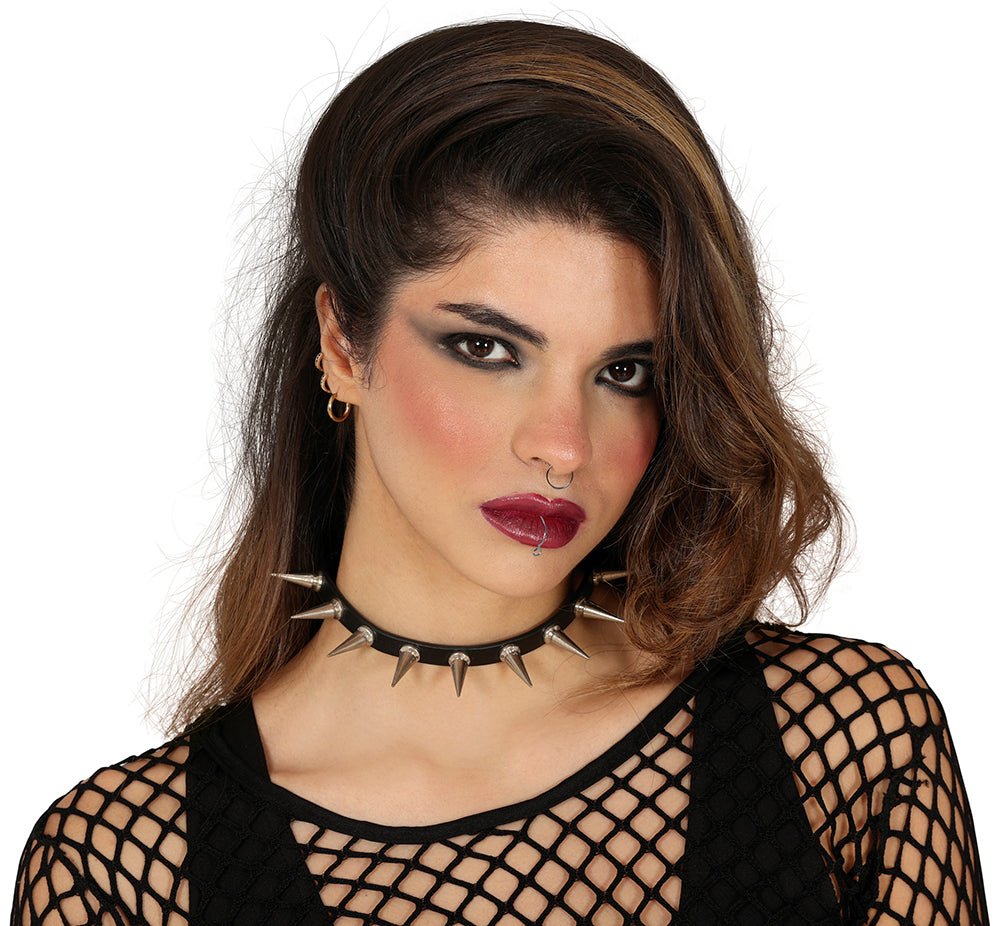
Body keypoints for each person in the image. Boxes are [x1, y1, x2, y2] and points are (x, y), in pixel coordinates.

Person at [10, 18, 990, 924]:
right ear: (343, 346)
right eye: (487, 349)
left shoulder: (843, 744)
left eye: (624, 372)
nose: (562, 444)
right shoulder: (127, 869)